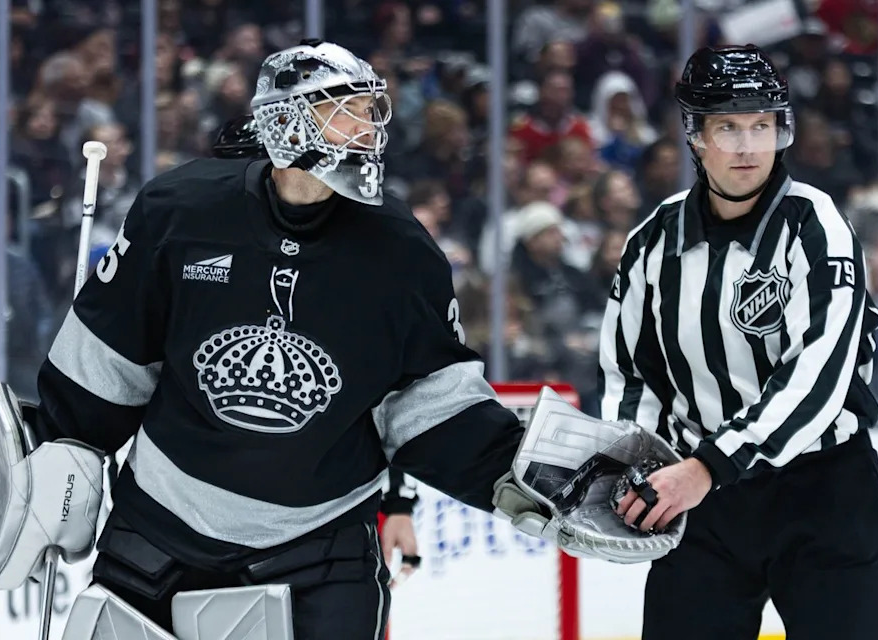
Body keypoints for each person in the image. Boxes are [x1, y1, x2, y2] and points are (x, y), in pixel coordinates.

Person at [30, 40, 527, 639]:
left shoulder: (402, 252)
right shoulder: (179, 213)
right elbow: (107, 361)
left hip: (319, 549)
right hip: (160, 533)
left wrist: (527, 477)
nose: (368, 126)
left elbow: (426, 406)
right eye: (344, 109)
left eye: (371, 109)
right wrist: (57, 449)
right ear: (285, 122)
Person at [601, 45, 878, 640]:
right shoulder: (653, 240)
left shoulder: (817, 225)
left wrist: (709, 465)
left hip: (822, 492)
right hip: (702, 505)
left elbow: (820, 374)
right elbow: (631, 372)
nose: (747, 146)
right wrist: (639, 466)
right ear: (694, 135)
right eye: (727, 126)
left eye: (762, 126)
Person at [211, 113, 423, 589]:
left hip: (319, 530)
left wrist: (397, 504)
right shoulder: (194, 260)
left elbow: (391, 397)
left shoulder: (353, 267)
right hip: (198, 528)